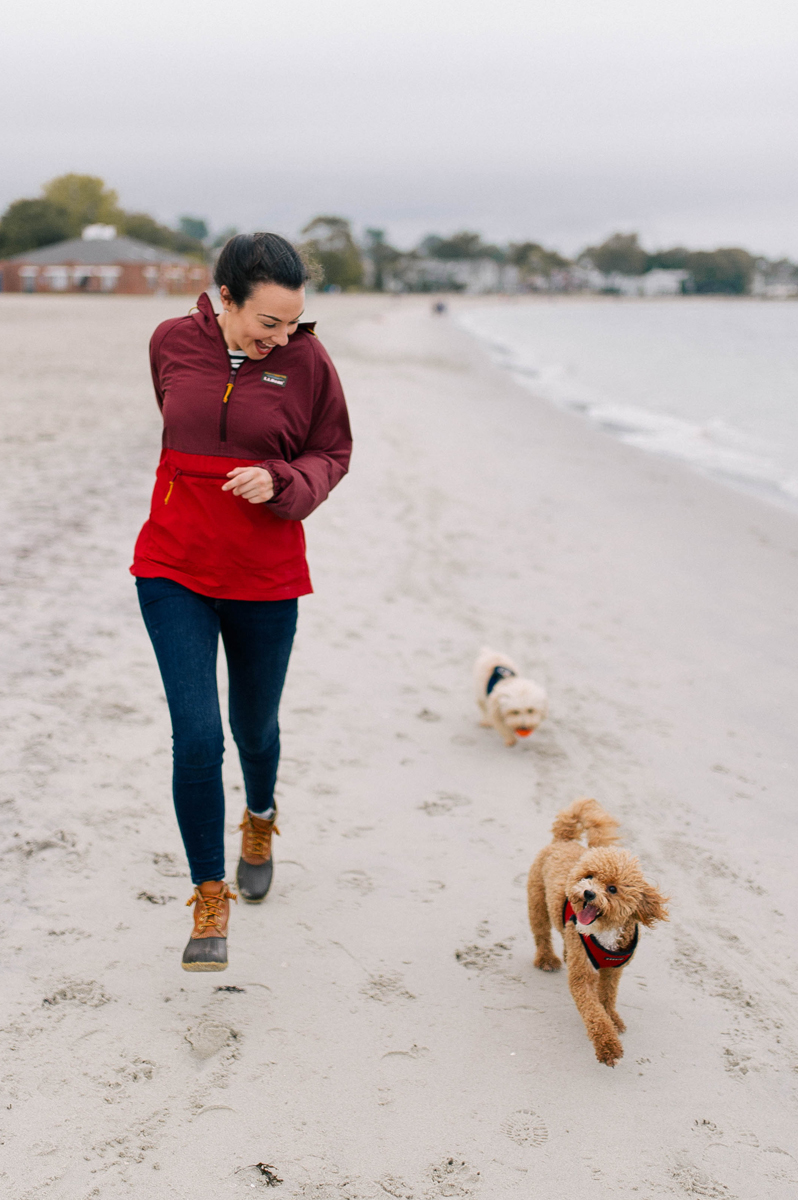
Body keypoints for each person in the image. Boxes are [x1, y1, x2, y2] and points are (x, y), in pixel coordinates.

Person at [131, 233, 352, 971]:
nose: (281, 338)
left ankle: (260, 816)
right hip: (173, 567)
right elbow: (180, 431)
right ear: (225, 299)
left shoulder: (309, 362)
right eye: (268, 324)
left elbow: (332, 453)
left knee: (253, 727)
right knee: (197, 737)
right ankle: (209, 893)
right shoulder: (169, 342)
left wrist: (282, 483)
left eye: (292, 324)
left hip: (265, 575)